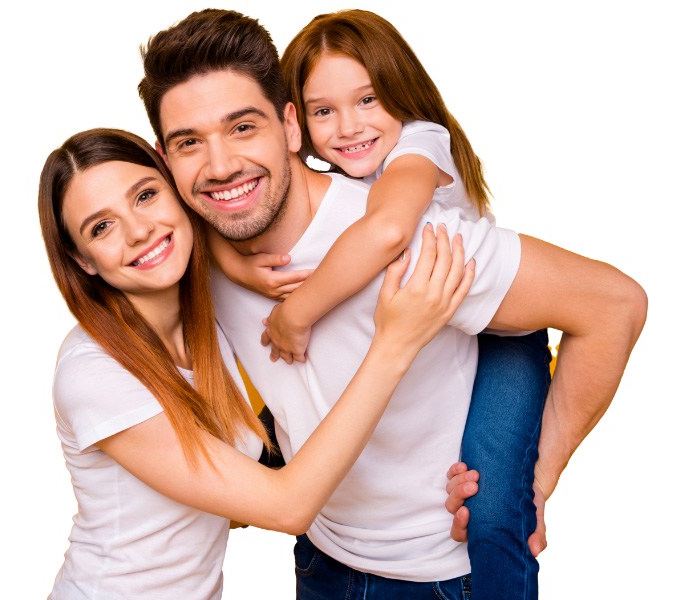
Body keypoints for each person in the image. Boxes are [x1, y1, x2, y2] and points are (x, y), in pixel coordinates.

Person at [138, 8, 647, 599]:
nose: (220, 164)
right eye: (189, 143)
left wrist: (536, 479)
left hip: (444, 578)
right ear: (164, 157)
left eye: (243, 127)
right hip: (320, 560)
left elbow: (615, 305)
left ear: (289, 126)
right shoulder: (182, 248)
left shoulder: (416, 239)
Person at [39, 127, 475, 599]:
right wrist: (396, 343)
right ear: (82, 260)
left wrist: (448, 479)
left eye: (145, 196)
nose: (139, 230)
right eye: (100, 227)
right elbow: (286, 507)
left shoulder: (211, 320)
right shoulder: (94, 374)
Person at [210, 9, 552, 598]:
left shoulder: (419, 143)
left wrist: (298, 312)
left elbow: (388, 230)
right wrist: (233, 259)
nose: (347, 128)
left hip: (501, 334)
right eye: (323, 111)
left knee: (493, 503)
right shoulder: (319, 176)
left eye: (368, 100)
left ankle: (524, 505)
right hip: (344, 531)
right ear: (295, 122)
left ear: (401, 92)